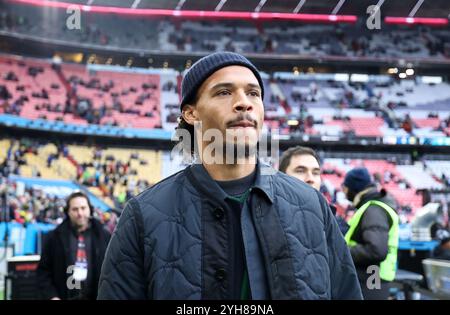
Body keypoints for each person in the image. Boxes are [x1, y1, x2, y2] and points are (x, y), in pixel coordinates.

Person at [98, 52, 362, 300]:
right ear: (191, 113)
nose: (244, 102)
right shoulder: (142, 217)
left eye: (253, 93)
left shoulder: (312, 206)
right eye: (224, 92)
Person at [36, 191, 111, 300]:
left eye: (83, 208)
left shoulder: (104, 236)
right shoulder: (54, 238)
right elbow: (43, 272)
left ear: (90, 209)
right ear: (68, 212)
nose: (80, 213)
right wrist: (52, 296)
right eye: (75, 209)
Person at [342, 167, 399, 300]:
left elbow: (376, 250)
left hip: (371, 279)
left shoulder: (373, 209)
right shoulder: (373, 207)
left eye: (345, 188)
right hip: (371, 278)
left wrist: (342, 250)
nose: (344, 192)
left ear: (354, 188)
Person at [279, 146, 349, 235]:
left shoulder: (337, 226)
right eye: (300, 171)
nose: (310, 179)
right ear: (281, 177)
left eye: (316, 173)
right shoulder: (266, 221)